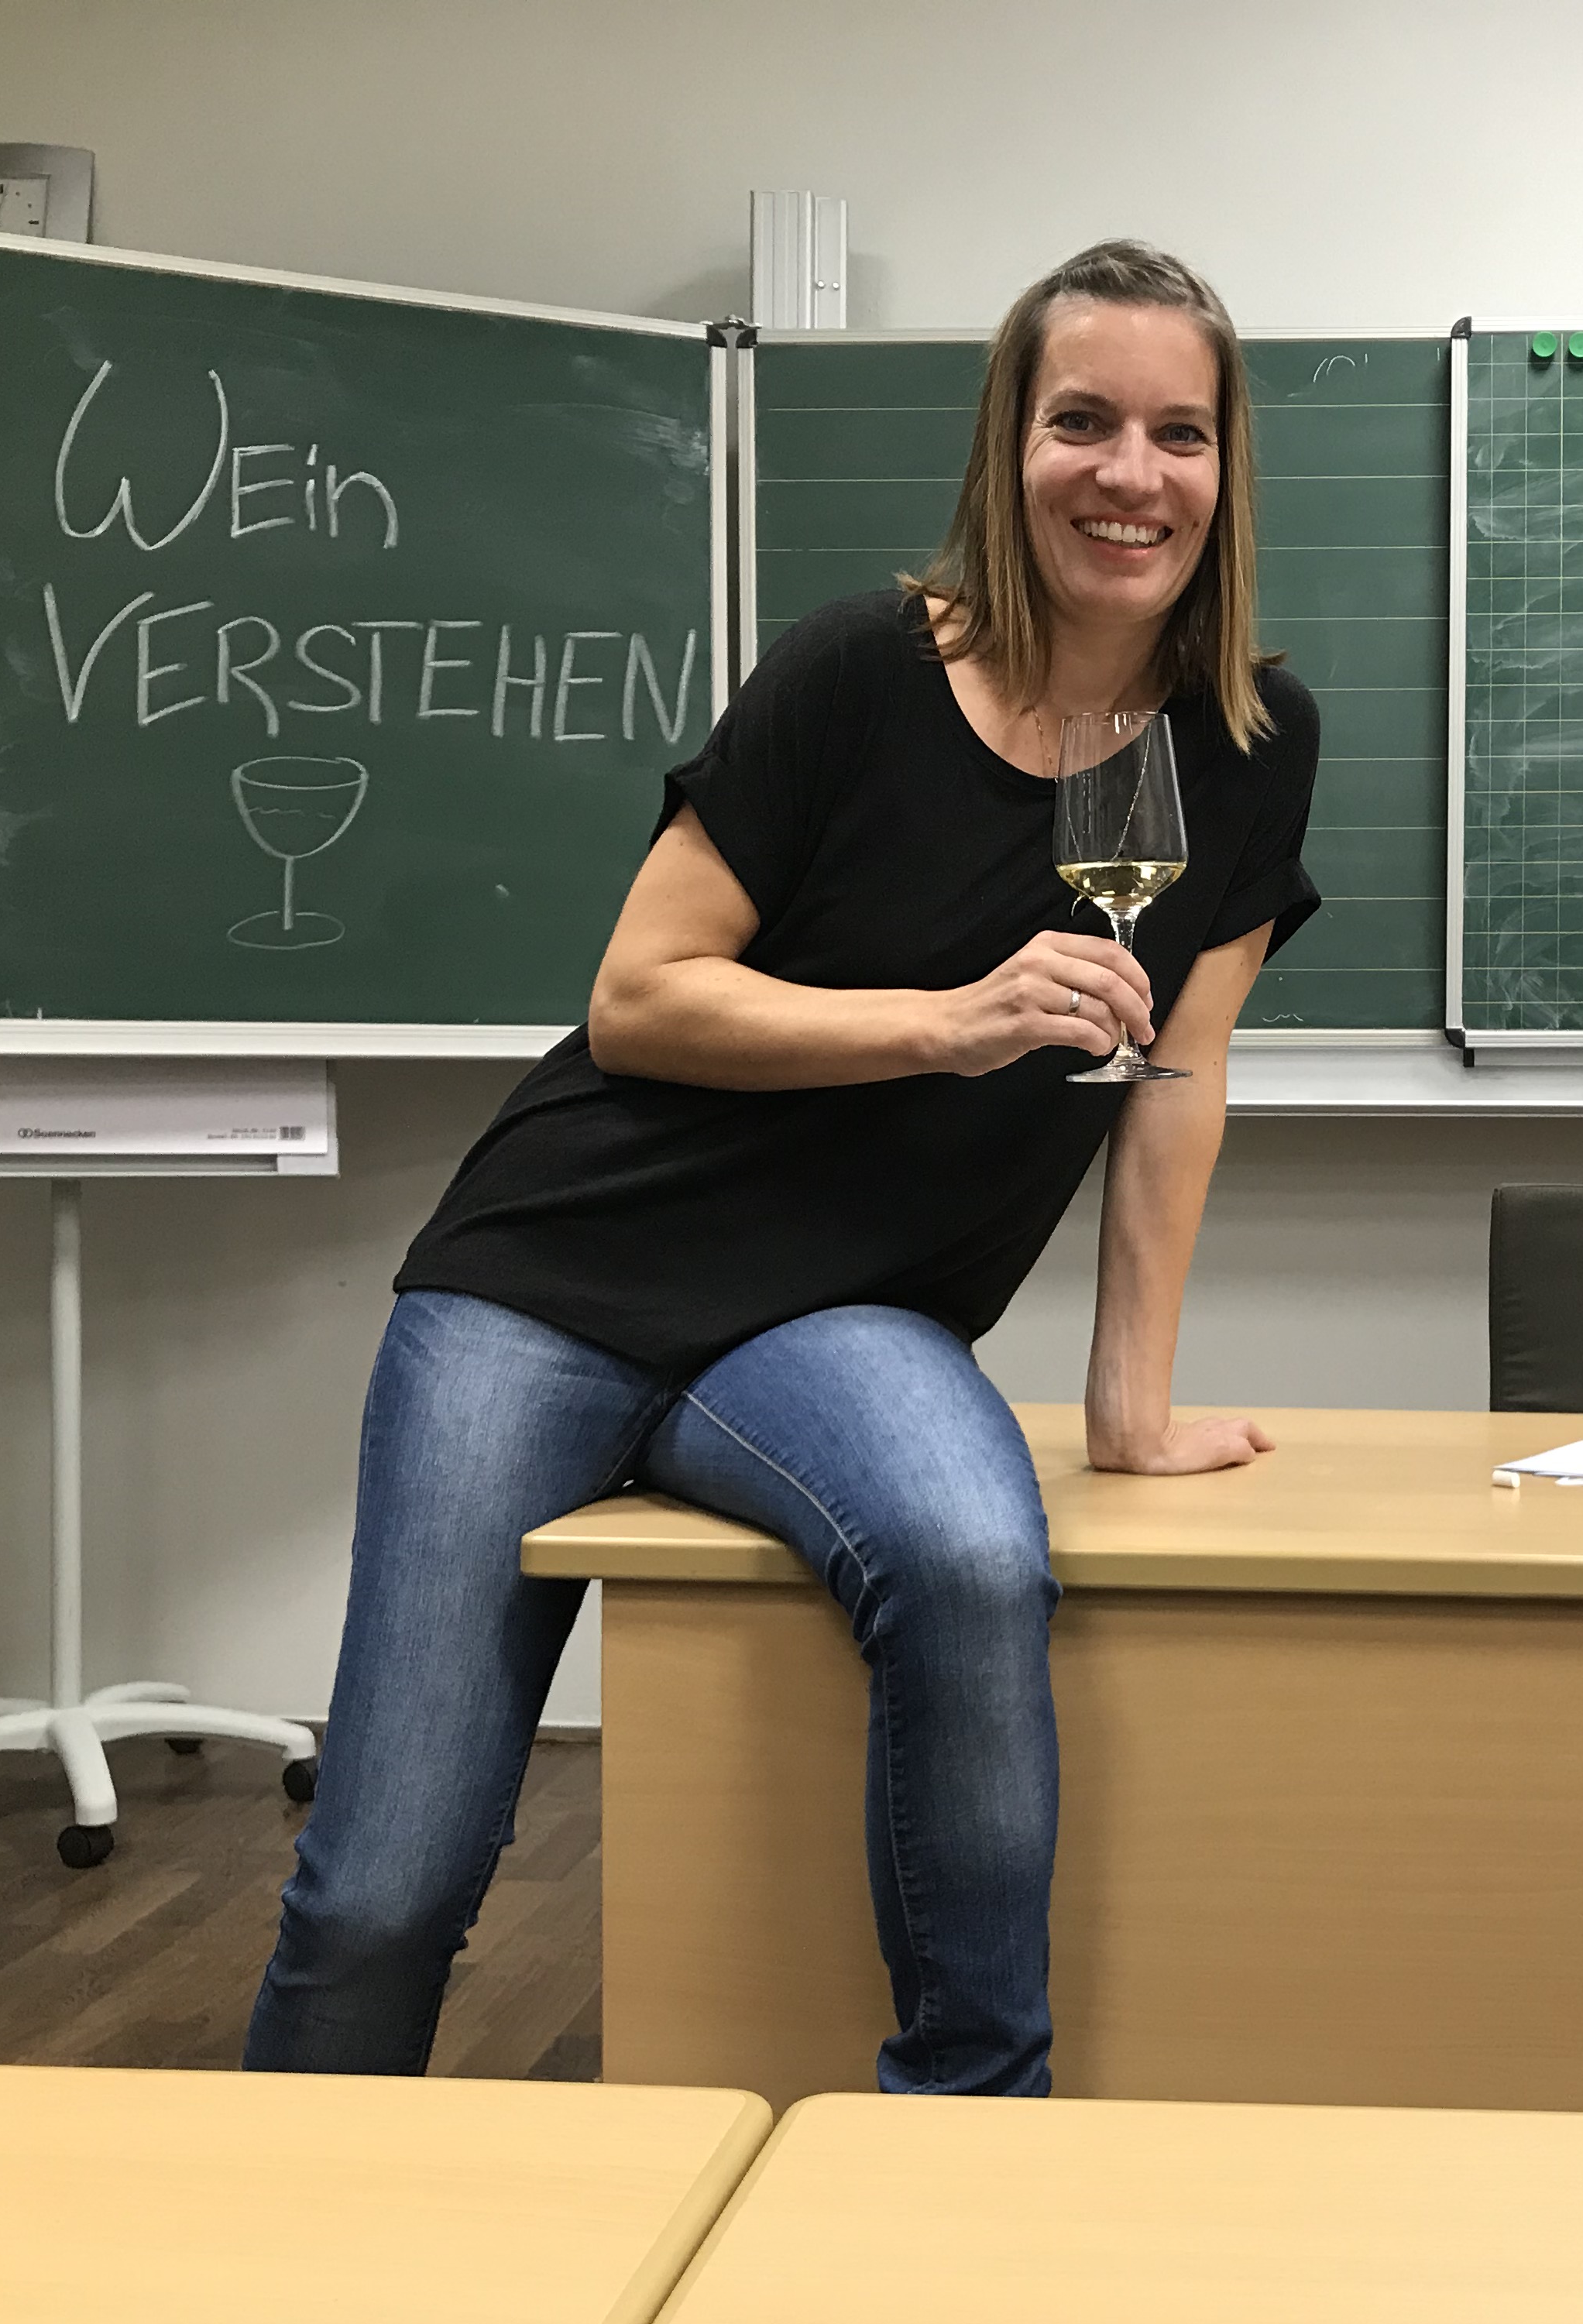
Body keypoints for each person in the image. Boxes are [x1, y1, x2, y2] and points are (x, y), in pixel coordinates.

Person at [243, 240, 1321, 2096]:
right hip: (558, 1279)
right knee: (390, 1880)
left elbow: (1176, 1071)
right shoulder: (858, 673)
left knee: (974, 1561)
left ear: (1226, 470)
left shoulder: (1244, 744)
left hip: (841, 1320)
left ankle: (963, 2145)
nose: (1129, 475)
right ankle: (282, 2223)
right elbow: (641, 999)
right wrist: (946, 1024)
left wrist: (1129, 1409)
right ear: (1010, 444)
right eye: (1081, 421)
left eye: (1179, 433)